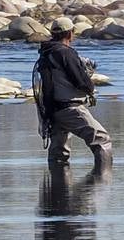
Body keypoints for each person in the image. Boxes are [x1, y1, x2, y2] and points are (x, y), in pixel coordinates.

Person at [33, 16, 112, 168]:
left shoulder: (45, 54)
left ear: (52, 34)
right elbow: (81, 82)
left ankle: (57, 186)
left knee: (59, 154)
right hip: (71, 109)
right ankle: (103, 181)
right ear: (70, 34)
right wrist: (89, 80)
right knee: (102, 140)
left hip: (52, 111)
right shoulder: (66, 53)